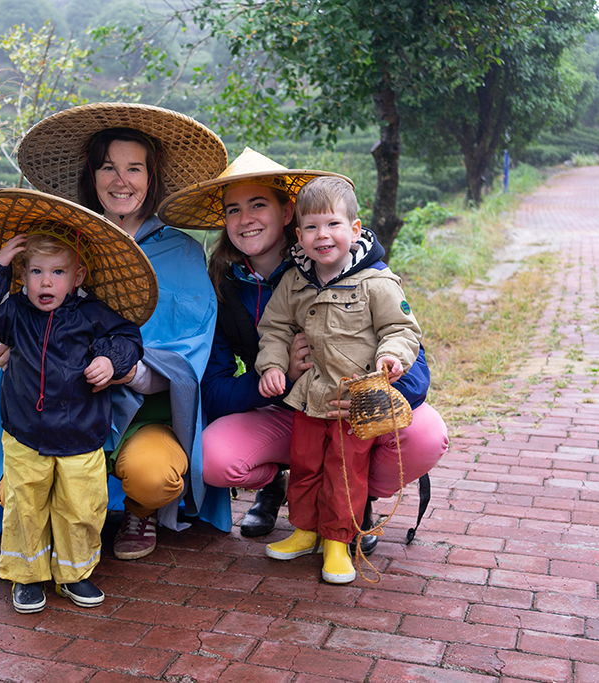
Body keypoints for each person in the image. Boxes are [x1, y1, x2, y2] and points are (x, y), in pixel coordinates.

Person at [158, 148, 448, 558]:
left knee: (425, 435)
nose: (245, 220)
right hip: (290, 407)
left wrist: (368, 395)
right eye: (233, 210)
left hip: (351, 406)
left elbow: (410, 355)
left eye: (258, 205)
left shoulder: (358, 273)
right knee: (216, 458)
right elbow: (216, 387)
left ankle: (353, 504)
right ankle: (281, 490)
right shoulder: (223, 287)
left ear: (286, 211)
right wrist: (280, 377)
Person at [0, 103, 230, 562]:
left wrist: (126, 371)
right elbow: (24, 309)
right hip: (54, 409)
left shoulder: (182, 253)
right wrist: (16, 344)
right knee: (15, 496)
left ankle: (138, 509)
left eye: (134, 168)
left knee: (155, 476)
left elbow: (186, 355)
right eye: (108, 167)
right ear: (92, 176)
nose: (120, 180)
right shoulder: (61, 242)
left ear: (152, 178)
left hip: (143, 413)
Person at [0, 188, 156, 612]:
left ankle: (75, 574)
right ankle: (27, 575)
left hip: (82, 436)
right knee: (26, 506)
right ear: (22, 275)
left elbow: (129, 338)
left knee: (81, 506)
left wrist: (110, 362)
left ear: (77, 277)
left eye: (58, 272)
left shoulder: (93, 313)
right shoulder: (16, 314)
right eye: (35, 271)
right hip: (26, 436)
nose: (45, 282)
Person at [253, 173, 421, 584]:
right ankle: (305, 530)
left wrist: (391, 358)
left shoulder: (376, 281)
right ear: (298, 233)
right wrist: (272, 366)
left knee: (345, 470)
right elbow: (274, 329)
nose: (322, 236)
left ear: (355, 228)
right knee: (306, 465)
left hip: (354, 402)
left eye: (332, 224)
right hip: (310, 398)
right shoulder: (294, 281)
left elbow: (401, 330)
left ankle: (337, 541)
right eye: (311, 227)